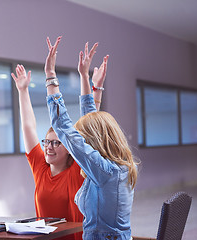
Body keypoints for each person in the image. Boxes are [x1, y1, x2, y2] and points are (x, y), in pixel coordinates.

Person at [11, 37, 107, 240]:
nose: (49, 147)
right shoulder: (40, 168)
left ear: (70, 148)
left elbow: (91, 126)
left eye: (57, 143)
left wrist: (95, 88)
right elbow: (28, 126)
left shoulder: (76, 170)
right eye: (47, 142)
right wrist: (22, 91)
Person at [45, 36, 138, 240]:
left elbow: (64, 128)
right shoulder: (120, 167)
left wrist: (51, 76)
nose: (82, 142)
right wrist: (86, 80)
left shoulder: (105, 171)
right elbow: (92, 122)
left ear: (93, 141)